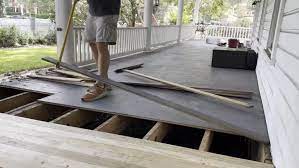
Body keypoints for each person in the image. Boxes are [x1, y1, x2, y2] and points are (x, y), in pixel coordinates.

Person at [82, 0, 121, 102]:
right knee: (92, 42)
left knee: (101, 44)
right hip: (93, 11)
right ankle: (105, 80)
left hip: (108, 10)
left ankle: (101, 83)